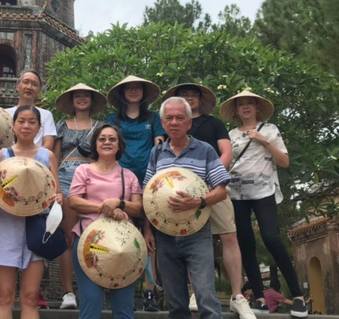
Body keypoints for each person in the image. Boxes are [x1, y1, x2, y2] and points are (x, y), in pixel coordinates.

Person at [164, 84, 255, 319]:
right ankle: (196, 292)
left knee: (228, 234)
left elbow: (226, 152)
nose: (189, 98)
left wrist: (210, 176)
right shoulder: (167, 135)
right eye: (185, 95)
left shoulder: (213, 124)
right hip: (182, 196)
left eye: (193, 95)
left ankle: (237, 295)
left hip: (212, 185)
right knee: (184, 236)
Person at [219, 90, 308, 318]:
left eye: (250, 104)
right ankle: (258, 296)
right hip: (237, 194)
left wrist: (264, 141)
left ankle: (298, 295)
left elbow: (284, 162)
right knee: (246, 243)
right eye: (241, 105)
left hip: (264, 192)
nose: (246, 107)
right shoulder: (230, 134)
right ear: (236, 110)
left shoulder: (270, 129)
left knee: (271, 238)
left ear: (257, 108)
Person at [142, 97, 230, 319]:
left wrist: (197, 202)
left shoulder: (205, 150)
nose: (174, 122)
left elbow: (221, 191)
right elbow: (147, 196)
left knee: (207, 299)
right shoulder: (156, 153)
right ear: (162, 123)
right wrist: (147, 230)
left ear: (189, 123)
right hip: (165, 235)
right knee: (177, 304)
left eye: (180, 118)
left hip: (197, 234)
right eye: (169, 118)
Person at [0, 70, 56, 309]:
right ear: (12, 126)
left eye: (32, 122)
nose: (26, 126)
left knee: (29, 297)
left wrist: (58, 198)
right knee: (4, 296)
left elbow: (56, 194)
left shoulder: (48, 156)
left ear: (39, 128)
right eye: (21, 122)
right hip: (6, 225)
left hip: (36, 226)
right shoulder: (0, 155)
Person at [68, 123, 143, 319]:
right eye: (102, 139)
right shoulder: (83, 170)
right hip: (89, 243)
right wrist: (105, 208)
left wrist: (120, 204)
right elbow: (73, 201)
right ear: (95, 145)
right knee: (91, 302)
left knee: (124, 307)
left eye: (112, 139)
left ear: (119, 146)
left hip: (123, 247)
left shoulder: (129, 176)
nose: (107, 142)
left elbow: (139, 208)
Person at [106, 75, 165, 311]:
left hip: (149, 180)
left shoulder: (153, 119)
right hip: (120, 181)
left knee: (149, 237)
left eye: (137, 88)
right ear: (122, 93)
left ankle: (150, 292)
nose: (133, 91)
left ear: (143, 93)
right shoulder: (113, 119)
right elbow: (109, 144)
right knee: (120, 234)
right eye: (128, 88)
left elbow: (159, 142)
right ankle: (116, 283)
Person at [53, 83, 107, 310]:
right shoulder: (61, 125)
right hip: (65, 176)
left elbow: (106, 155)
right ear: (72, 100)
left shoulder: (101, 126)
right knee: (69, 236)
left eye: (86, 96)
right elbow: (53, 158)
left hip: (93, 177)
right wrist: (55, 186)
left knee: (95, 235)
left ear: (92, 101)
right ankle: (68, 291)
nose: (82, 99)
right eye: (78, 96)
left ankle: (94, 288)